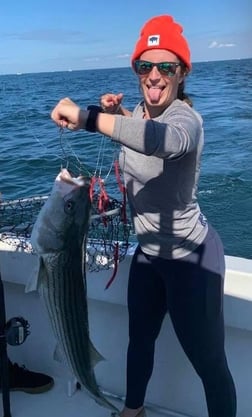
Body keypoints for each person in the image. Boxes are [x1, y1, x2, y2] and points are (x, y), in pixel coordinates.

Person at [50, 14, 237, 417]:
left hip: (192, 261)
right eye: (144, 66)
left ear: (182, 72)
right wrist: (118, 114)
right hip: (148, 256)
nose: (154, 75)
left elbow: (160, 142)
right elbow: (136, 133)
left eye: (165, 67)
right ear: (136, 70)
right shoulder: (137, 114)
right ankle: (133, 412)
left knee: (210, 364)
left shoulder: (185, 120)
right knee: (140, 341)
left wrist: (89, 117)